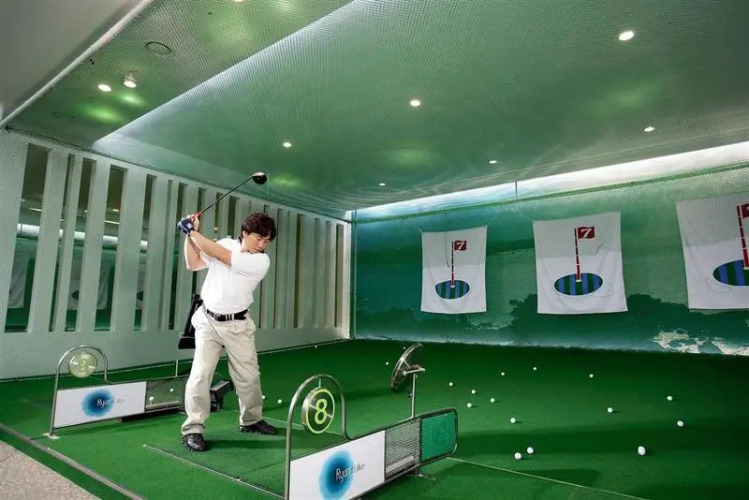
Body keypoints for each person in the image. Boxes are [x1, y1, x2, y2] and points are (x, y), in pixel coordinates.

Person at [178, 211, 278, 452]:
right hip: (208, 322)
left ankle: (251, 420)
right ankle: (193, 429)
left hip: (238, 325)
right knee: (200, 375)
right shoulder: (225, 244)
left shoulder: (260, 261)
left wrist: (191, 230)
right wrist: (189, 236)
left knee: (249, 376)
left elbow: (219, 254)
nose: (262, 245)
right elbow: (194, 263)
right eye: (258, 238)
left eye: (267, 241)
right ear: (244, 233)